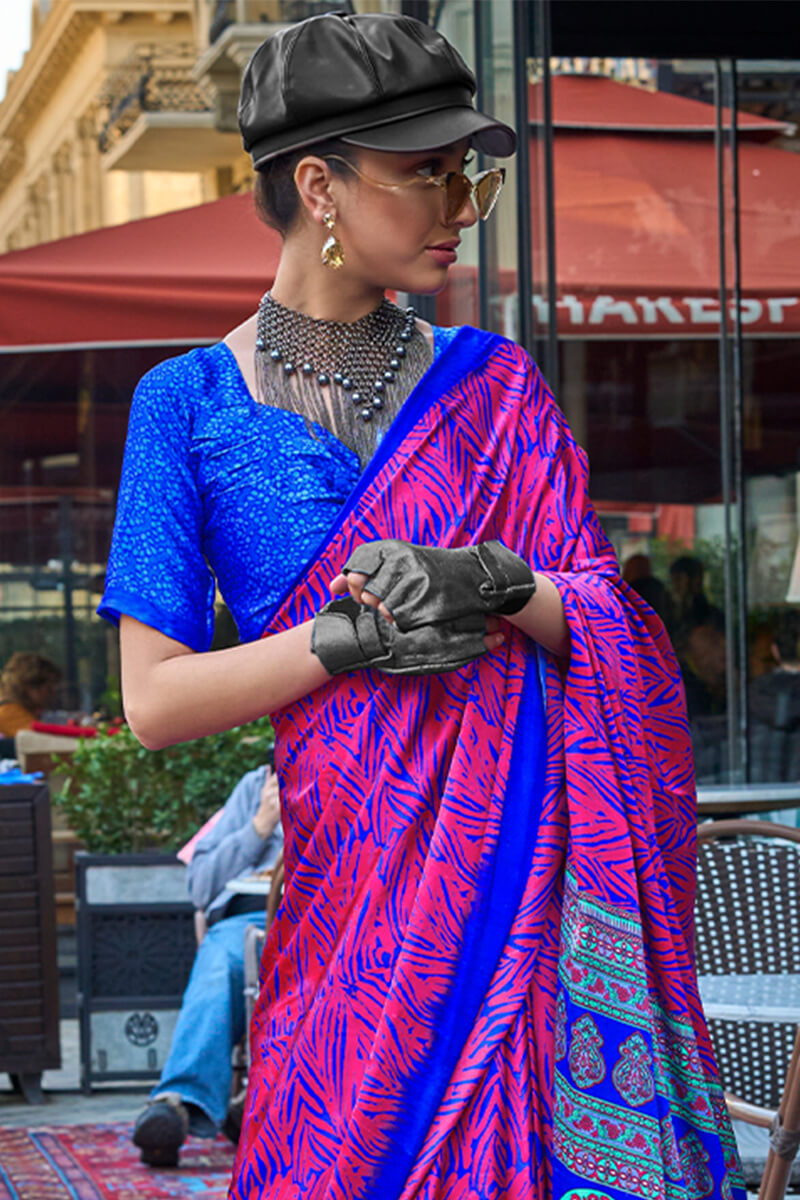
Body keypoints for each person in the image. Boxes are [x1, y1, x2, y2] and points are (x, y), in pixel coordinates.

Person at [98, 12, 746, 1199]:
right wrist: (342, 642)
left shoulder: (495, 385)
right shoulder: (182, 405)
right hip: (352, 897)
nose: (462, 204)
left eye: (469, 174)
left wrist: (495, 582)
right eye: (427, 173)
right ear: (318, 185)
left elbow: (610, 627)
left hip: (524, 877)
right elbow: (152, 704)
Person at [132, 763, 283, 1166]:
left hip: (332, 916)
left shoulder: (365, 769)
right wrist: (260, 825)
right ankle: (179, 1102)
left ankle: (255, 1105)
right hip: (248, 918)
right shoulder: (256, 785)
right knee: (222, 963)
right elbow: (199, 885)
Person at [0, 651, 62, 737]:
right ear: (30, 687)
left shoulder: (14, 710)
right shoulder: (8, 713)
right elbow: (44, 739)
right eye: (49, 688)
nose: (53, 694)